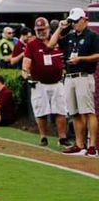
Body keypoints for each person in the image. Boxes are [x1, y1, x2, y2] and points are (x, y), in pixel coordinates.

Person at [49, 8, 99, 156]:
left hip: (83, 76)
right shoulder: (70, 37)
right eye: (72, 21)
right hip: (70, 77)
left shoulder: (92, 36)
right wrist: (60, 27)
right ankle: (79, 144)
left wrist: (81, 59)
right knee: (75, 112)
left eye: (76, 21)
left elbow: (97, 55)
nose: (74, 24)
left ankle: (92, 146)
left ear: (85, 20)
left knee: (88, 111)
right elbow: (51, 45)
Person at [22, 16, 69, 148]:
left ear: (48, 29)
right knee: (41, 111)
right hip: (39, 83)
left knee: (61, 110)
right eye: (38, 30)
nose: (41, 32)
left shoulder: (57, 41)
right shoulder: (31, 45)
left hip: (57, 81)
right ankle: (43, 136)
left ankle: (62, 137)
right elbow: (26, 61)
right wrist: (25, 71)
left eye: (43, 29)